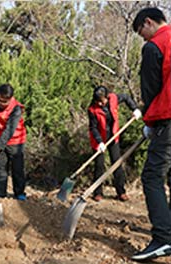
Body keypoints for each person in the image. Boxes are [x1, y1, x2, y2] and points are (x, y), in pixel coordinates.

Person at [131, 7, 171, 261]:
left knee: (152, 176)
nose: (143, 38)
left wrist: (150, 121)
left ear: (148, 22)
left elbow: (151, 89)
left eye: (141, 33)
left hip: (168, 120)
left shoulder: (155, 46)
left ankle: (163, 239)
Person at [88, 85, 141, 202]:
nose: (100, 104)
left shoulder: (113, 98)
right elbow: (93, 128)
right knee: (99, 165)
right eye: (98, 102)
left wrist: (135, 109)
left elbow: (126, 97)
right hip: (99, 140)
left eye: (102, 101)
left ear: (106, 97)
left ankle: (121, 192)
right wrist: (100, 142)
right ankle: (97, 192)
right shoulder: (92, 110)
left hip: (113, 135)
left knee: (116, 163)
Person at [0, 83, 27, 200]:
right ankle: (0, 194)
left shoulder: (16, 108)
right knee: (0, 169)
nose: (1, 104)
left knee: (17, 169)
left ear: (10, 99)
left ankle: (20, 194)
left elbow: (10, 129)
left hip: (16, 141)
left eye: (4, 102)